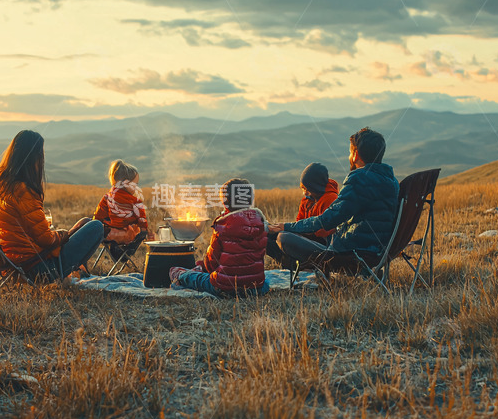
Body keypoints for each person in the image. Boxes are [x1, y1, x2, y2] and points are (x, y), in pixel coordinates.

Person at [268, 127, 399, 264]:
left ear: (356, 155)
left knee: (283, 238)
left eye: (350, 152)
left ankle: (299, 269)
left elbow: (327, 220)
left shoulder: (359, 179)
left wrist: (287, 227)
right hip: (377, 251)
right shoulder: (392, 181)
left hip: (351, 254)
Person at [0, 130, 103, 280]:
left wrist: (60, 235)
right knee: (96, 227)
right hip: (37, 268)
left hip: (17, 261)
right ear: (33, 158)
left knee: (86, 223)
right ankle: (71, 273)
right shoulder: (24, 192)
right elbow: (45, 240)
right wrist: (62, 235)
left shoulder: (3, 188)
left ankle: (79, 273)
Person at [169, 178, 269, 297]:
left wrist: (204, 267)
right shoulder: (261, 223)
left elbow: (212, 263)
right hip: (255, 288)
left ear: (225, 202)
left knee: (188, 276)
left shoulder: (223, 225)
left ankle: (180, 276)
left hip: (225, 288)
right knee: (266, 282)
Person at [266, 162, 339, 266]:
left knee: (284, 237)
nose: (304, 193)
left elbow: (325, 231)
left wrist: (298, 230)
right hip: (306, 236)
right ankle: (288, 262)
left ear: (315, 186)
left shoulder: (330, 199)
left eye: (306, 189)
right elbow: (299, 221)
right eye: (302, 189)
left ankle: (297, 265)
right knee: (267, 236)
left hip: (323, 243)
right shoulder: (306, 201)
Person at [93, 159, 153, 258]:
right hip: (126, 237)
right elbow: (143, 224)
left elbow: (97, 218)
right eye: (135, 185)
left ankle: (116, 250)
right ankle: (119, 252)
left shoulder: (107, 197)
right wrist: (146, 233)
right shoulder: (136, 202)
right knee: (135, 230)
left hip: (105, 236)